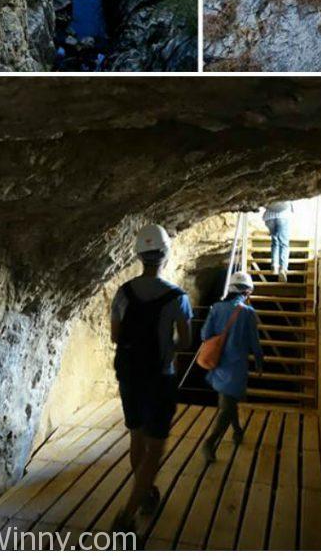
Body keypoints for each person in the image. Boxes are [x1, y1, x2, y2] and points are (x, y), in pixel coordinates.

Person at [110, 223, 194, 532]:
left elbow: (115, 336)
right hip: (160, 377)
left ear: (138, 255)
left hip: (130, 375)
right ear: (166, 255)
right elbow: (185, 342)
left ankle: (144, 495)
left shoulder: (123, 293)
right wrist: (165, 345)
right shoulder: (178, 297)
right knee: (155, 448)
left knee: (137, 437)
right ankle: (127, 514)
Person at [201, 271, 264, 461]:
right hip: (236, 368)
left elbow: (204, 334)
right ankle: (209, 443)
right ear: (246, 292)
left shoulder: (216, 308)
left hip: (218, 364)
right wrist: (259, 362)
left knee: (228, 401)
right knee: (228, 406)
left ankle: (237, 431)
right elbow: (254, 342)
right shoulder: (248, 313)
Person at [262, 201, 294, 281]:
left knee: (275, 242)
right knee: (284, 244)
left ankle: (274, 265)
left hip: (269, 218)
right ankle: (283, 268)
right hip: (283, 216)